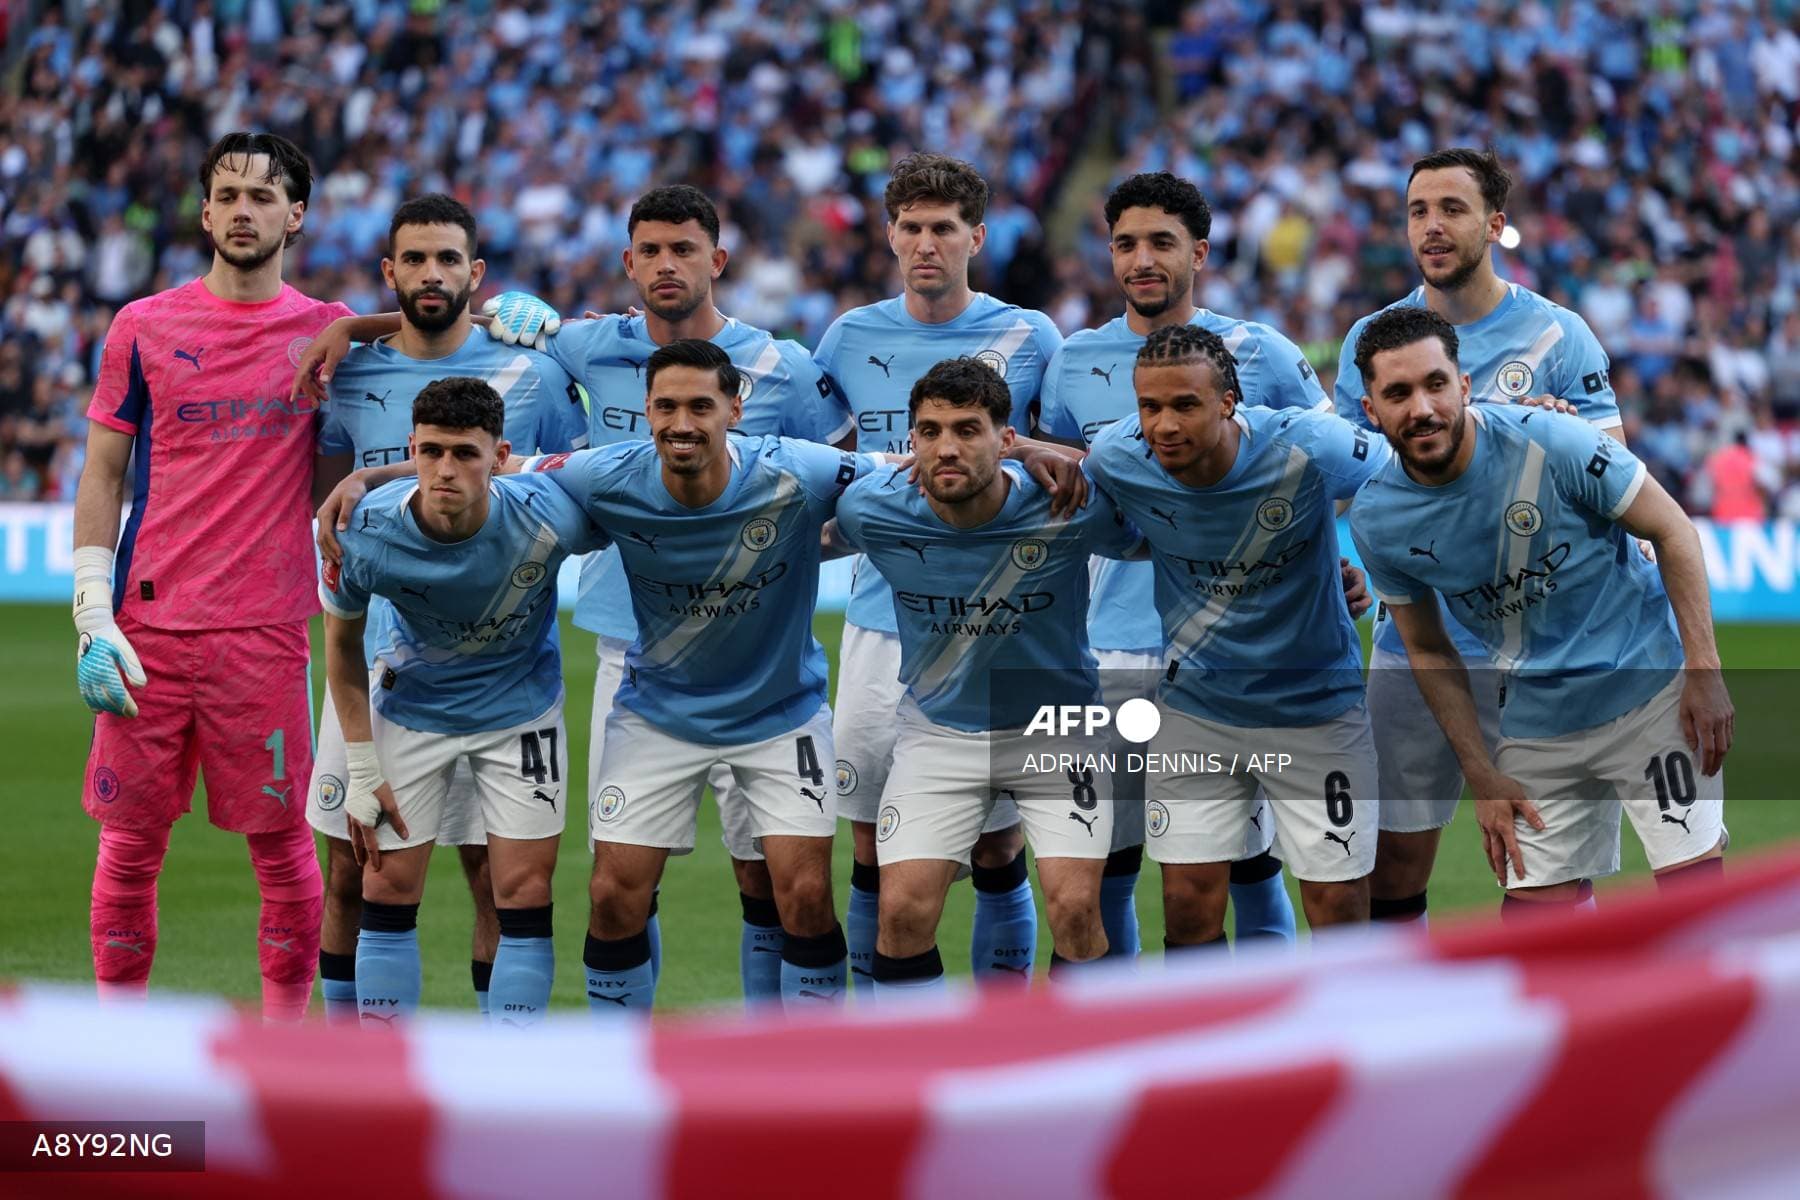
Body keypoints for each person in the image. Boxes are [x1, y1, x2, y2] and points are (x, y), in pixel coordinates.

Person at [302, 185, 846, 1006]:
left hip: (761, 656)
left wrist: (772, 546)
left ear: (718, 261)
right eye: (650, 251)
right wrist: (354, 330)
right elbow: (446, 321)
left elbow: (851, 490)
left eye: (685, 250)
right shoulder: (586, 346)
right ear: (627, 263)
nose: (667, 265)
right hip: (633, 651)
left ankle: (776, 1067)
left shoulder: (785, 367)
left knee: (774, 882)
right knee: (622, 882)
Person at [72, 132, 348, 1019]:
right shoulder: (143, 326)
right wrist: (90, 606)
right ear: (203, 210)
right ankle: (121, 1043)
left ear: (295, 215)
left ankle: (285, 1049)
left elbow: (423, 334)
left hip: (265, 632)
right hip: (146, 628)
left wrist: (500, 315)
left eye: (262, 197)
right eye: (226, 194)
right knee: (129, 847)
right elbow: (103, 472)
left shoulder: (325, 331)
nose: (242, 210)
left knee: (281, 851)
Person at [303, 193, 585, 1023]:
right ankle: (353, 1070)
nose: (433, 274)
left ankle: (495, 1073)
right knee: (353, 872)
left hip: (503, 665)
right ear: (391, 273)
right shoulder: (348, 372)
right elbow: (330, 513)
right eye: (416, 260)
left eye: (449, 259)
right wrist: (355, 329)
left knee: (495, 877)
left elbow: (571, 470)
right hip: (383, 669)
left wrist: (559, 325)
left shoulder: (532, 371)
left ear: (477, 273)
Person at [1348, 306, 1730, 913]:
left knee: (1696, 910)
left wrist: (1704, 673)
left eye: (1435, 384)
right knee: (1534, 933)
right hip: (1534, 722)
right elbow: (1426, 646)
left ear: (1464, 385)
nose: (1420, 407)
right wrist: (1480, 772)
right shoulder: (1377, 519)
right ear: (1371, 411)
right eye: (1398, 393)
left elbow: (1672, 529)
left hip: (1651, 696)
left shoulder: (1551, 437)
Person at [1334, 148, 1627, 928]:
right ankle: (1407, 1029)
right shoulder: (1374, 340)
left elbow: (1617, 473)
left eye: (1452, 209)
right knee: (1390, 858)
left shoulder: (1558, 337)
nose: (1432, 226)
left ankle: (1559, 1022)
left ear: (1496, 225)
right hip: (1415, 639)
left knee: (1542, 862)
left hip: (1537, 650)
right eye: (1418, 210)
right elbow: (1350, 475)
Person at [1038, 171, 1320, 955]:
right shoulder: (1074, 360)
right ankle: (1137, 1045)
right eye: (1125, 243)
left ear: (1198, 252)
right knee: (1111, 858)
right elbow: (1071, 481)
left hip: (1230, 653)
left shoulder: (1264, 354)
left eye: (1161, 242)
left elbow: (1327, 476)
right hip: (1111, 643)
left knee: (1246, 859)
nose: (1141, 260)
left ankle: (1267, 1043)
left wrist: (1336, 565)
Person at [813, 153, 1064, 989]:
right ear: (889, 236)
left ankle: (997, 1034)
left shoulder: (1032, 335)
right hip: (883, 622)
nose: (927, 244)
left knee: (998, 843)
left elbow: (1067, 460)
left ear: (976, 238)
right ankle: (870, 1042)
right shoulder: (848, 336)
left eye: (944, 229)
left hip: (1003, 627)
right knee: (864, 837)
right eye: (912, 228)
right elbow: (816, 459)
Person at [830, 357, 1140, 993]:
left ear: (1006, 441)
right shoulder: (870, 511)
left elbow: (1173, 529)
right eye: (931, 430)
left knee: (1078, 910)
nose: (947, 447)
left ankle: (1075, 1079)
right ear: (910, 441)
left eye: (968, 430)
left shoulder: (1069, 505)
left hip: (1060, 729)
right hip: (938, 733)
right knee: (901, 912)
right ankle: (919, 1082)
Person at [1085, 325, 1388, 946]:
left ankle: (1335, 1041)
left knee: (1338, 909)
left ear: (1229, 402)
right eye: (1150, 406)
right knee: (1188, 907)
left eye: (1184, 405)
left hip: (1316, 712)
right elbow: (1093, 503)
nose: (1164, 424)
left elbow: (1410, 473)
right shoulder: (1118, 456)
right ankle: (1216, 1044)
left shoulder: (1310, 443)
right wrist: (1032, 451)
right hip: (1197, 712)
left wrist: (1364, 575)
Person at [321, 376, 604, 1027]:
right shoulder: (358, 530)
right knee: (385, 886)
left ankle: (508, 1078)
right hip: (412, 710)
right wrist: (362, 768)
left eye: (466, 454)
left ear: (500, 457)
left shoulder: (549, 512)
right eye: (432, 452)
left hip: (521, 715)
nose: (445, 470)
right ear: (413, 448)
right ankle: (384, 1079)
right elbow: (340, 648)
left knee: (523, 893)